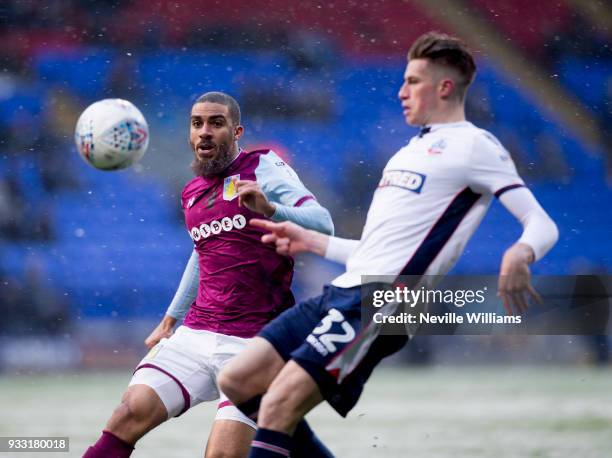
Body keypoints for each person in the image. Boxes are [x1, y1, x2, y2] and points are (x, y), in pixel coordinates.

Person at [218, 31, 560, 456]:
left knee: (279, 404)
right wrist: (313, 241)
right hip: (347, 289)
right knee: (237, 380)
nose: (401, 91)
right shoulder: (406, 153)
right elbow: (376, 252)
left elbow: (541, 223)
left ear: (445, 87)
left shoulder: (476, 146)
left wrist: (521, 250)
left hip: (388, 299)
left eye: (413, 81)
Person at [83, 91, 334, 458]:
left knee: (222, 455)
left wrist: (272, 208)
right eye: (197, 124)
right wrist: (171, 318)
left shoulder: (263, 166)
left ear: (236, 132)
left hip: (254, 343)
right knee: (127, 415)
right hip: (196, 335)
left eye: (216, 123)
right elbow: (203, 252)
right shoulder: (192, 193)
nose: (205, 132)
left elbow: (323, 223)